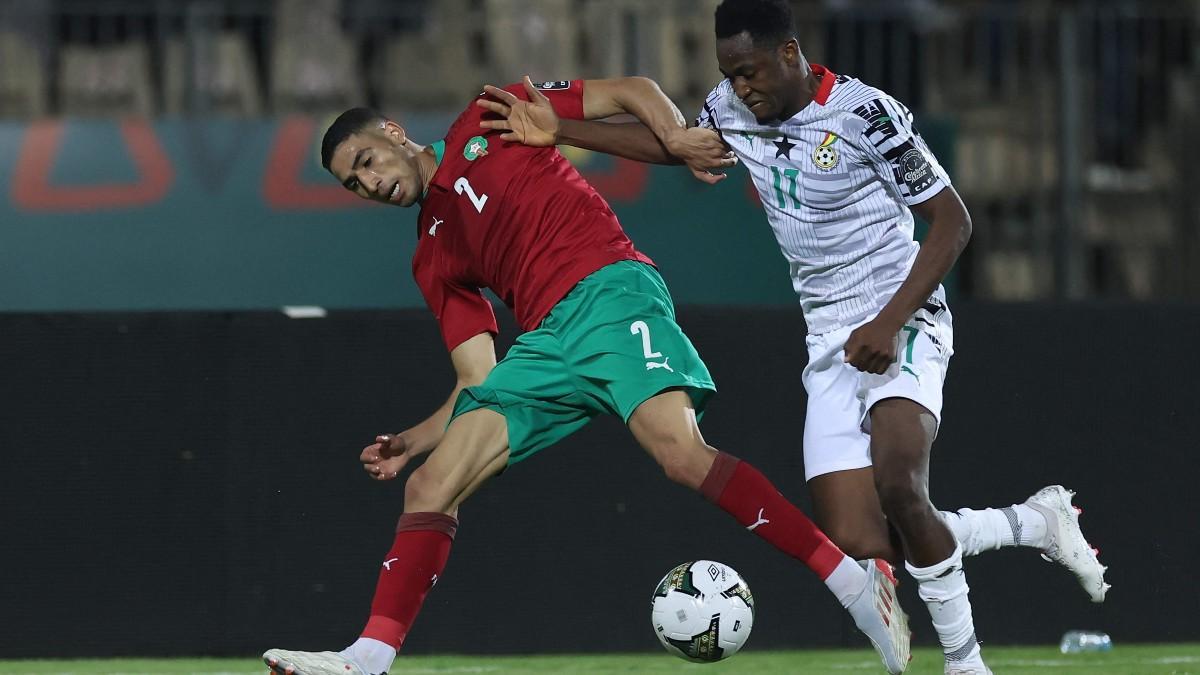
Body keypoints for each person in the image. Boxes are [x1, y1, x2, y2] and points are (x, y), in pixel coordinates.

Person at [477, 1, 1110, 673]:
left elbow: (952, 222)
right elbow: (679, 145)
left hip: (903, 316)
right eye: (729, 74)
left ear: (790, 53)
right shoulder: (732, 107)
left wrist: (891, 320)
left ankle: (966, 662)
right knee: (859, 540)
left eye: (749, 71)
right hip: (830, 338)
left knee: (900, 481)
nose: (740, 88)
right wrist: (563, 129)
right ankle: (1033, 523)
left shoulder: (868, 115)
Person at [262, 77, 913, 675]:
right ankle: (369, 658)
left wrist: (678, 134)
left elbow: (629, 90)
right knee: (431, 483)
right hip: (545, 344)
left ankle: (856, 585)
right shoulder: (432, 254)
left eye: (367, 162)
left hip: (609, 291)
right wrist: (414, 439)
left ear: (394, 135)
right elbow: (476, 376)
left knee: (682, 457)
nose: (369, 184)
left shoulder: (488, 116)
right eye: (353, 184)